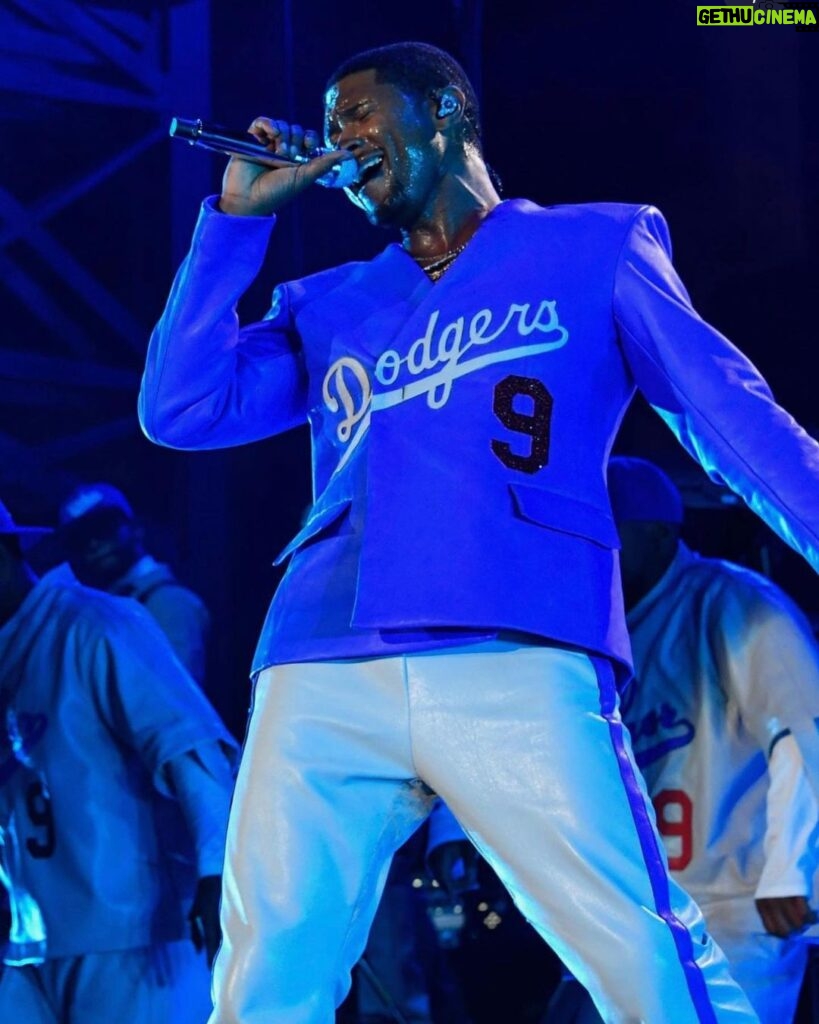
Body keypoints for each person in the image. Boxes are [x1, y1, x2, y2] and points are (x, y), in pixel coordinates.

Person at [138, 40, 819, 1024]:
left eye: (362, 116)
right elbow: (180, 406)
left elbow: (738, 427)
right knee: (260, 985)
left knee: (641, 960)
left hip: (512, 647)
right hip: (319, 659)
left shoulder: (596, 246)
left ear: (446, 112)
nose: (344, 142)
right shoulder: (334, 301)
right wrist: (236, 225)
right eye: (332, 131)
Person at [545, 457, 819, 1024]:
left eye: (612, 534)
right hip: (632, 911)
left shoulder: (734, 603)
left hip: (735, 908)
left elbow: (803, 731)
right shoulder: (597, 631)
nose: (600, 552)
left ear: (658, 532)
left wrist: (792, 871)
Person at [0, 499, 237, 1023]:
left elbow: (188, 749)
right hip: (29, 937)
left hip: (131, 932)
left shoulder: (96, 622)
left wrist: (217, 871)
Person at [58, 482, 210, 685]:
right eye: (80, 538)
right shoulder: (107, 605)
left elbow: (176, 698)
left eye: (102, 528)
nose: (93, 544)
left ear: (136, 528)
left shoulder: (168, 602)